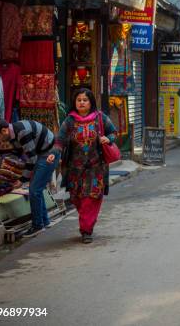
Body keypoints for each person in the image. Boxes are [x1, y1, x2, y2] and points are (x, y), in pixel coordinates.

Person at [52, 89, 117, 243]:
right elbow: (59, 140)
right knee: (77, 199)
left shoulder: (100, 117)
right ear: (75, 103)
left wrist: (108, 139)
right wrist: (53, 154)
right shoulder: (69, 121)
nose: (81, 102)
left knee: (91, 198)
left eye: (85, 100)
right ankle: (87, 222)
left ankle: (86, 230)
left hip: (96, 167)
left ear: (91, 102)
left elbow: (113, 132)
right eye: (79, 100)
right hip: (75, 169)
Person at [0, 118, 57, 238]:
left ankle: (37, 226)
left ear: (4, 131)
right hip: (41, 153)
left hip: (49, 153)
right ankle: (44, 222)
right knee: (36, 188)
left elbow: (32, 159)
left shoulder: (21, 132)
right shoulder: (13, 134)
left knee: (34, 190)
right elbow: (20, 153)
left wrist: (22, 180)